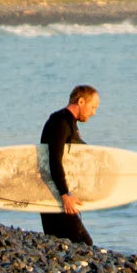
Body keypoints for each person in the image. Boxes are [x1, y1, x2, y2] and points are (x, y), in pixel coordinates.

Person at [39, 83, 99, 244]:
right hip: (54, 196)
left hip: (55, 194)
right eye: (93, 107)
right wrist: (65, 195)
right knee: (83, 244)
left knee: (59, 244)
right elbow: (54, 160)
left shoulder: (68, 122)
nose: (94, 112)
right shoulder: (60, 122)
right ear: (80, 102)